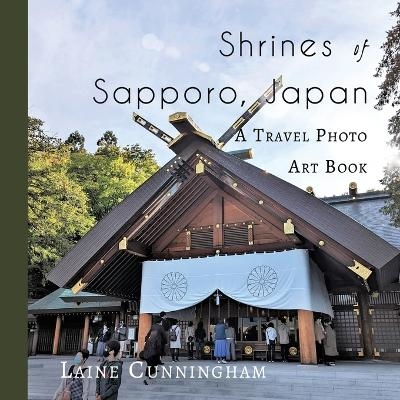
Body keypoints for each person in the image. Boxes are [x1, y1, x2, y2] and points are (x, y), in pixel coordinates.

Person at [143, 316, 164, 385]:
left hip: (149, 349)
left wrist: (145, 341)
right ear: (160, 322)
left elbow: (147, 336)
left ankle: (150, 375)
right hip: (154, 350)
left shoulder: (152, 327)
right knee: (151, 363)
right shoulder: (160, 328)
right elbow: (164, 337)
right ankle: (146, 377)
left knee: (153, 362)